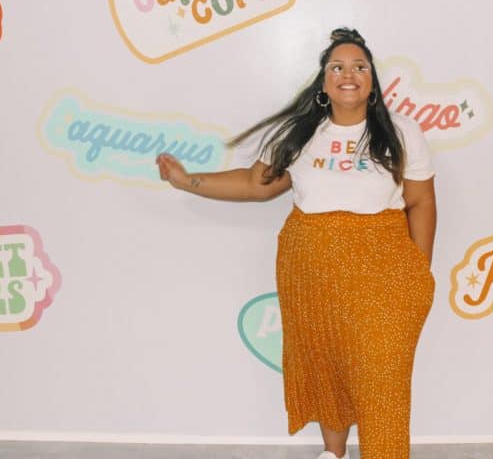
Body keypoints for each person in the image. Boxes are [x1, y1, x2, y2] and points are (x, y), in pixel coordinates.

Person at [156, 27, 436, 459]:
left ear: (373, 82)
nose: (349, 74)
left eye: (360, 66)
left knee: (384, 380)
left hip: (385, 272)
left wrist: (419, 274)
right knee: (327, 364)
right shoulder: (304, 133)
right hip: (312, 268)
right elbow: (256, 184)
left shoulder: (401, 132)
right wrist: (187, 180)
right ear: (324, 83)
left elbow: (420, 202)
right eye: (337, 67)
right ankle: (334, 454)